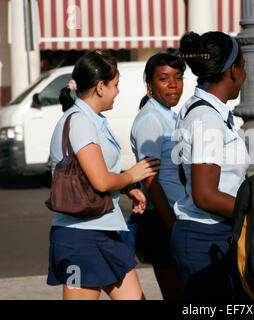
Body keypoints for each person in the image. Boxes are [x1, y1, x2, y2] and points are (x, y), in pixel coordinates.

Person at [46, 50, 160, 300]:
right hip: (80, 237)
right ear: (100, 87)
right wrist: (131, 176)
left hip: (103, 230)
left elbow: (96, 172)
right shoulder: (80, 122)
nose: (118, 91)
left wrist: (126, 186)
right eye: (115, 85)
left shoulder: (92, 120)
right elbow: (100, 180)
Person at [170, 31, 249, 300]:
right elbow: (205, 195)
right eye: (244, 64)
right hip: (205, 237)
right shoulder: (207, 118)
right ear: (234, 71)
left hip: (209, 234)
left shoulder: (201, 109)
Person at [123, 53, 186, 300]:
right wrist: (173, 225)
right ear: (149, 84)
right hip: (163, 220)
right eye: (164, 78)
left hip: (175, 217)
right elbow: (150, 178)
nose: (173, 84)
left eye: (178, 78)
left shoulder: (170, 115)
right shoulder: (150, 118)